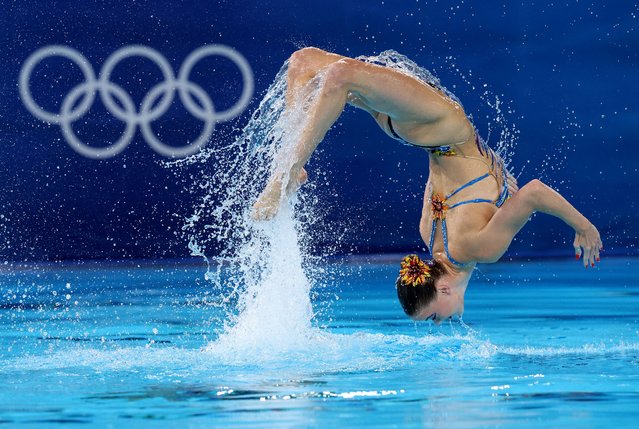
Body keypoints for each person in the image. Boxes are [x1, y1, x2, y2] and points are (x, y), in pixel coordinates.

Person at [252, 47, 603, 324]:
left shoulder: (474, 248)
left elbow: (530, 190)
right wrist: (577, 224)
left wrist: (577, 224)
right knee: (307, 62)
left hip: (438, 127)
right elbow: (521, 189)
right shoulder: (435, 236)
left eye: (432, 317)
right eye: (433, 317)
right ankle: (288, 168)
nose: (440, 322)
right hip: (413, 131)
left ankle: (287, 171)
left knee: (325, 70)